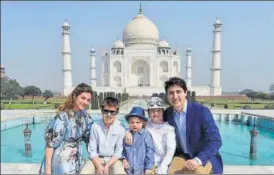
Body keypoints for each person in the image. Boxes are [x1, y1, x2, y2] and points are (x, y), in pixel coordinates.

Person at [163, 77, 223, 174]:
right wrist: (129, 133)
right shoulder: (168, 114)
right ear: (167, 95)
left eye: (178, 92)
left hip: (203, 155)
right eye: (171, 93)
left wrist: (198, 160)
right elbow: (153, 126)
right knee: (171, 172)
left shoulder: (201, 111)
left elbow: (215, 140)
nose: (175, 96)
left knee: (198, 172)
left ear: (185, 92)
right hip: (182, 155)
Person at [39, 83, 94, 174]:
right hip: (61, 162)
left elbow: (92, 138)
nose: (85, 102)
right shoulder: (63, 117)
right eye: (83, 98)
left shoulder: (86, 117)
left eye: (88, 100)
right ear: (75, 96)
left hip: (76, 160)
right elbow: (50, 145)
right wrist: (48, 170)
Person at [125, 97, 176, 174]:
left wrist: (162, 167)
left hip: (161, 164)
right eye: (152, 111)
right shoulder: (146, 125)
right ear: (148, 113)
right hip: (144, 164)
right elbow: (133, 124)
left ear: (163, 112)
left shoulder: (169, 129)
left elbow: (170, 151)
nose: (156, 113)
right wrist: (127, 132)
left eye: (158, 110)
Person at [80, 96, 126, 174]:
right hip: (96, 159)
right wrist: (98, 166)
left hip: (113, 160)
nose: (109, 114)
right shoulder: (95, 126)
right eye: (106, 111)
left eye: (112, 112)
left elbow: (118, 151)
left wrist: (107, 165)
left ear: (116, 113)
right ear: (102, 111)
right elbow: (92, 150)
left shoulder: (120, 128)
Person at [122, 106, 155, 174]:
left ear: (142, 123)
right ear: (128, 123)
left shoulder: (146, 134)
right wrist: (123, 159)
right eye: (132, 122)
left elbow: (150, 151)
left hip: (141, 169)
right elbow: (122, 149)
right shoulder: (126, 135)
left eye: (138, 122)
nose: (134, 125)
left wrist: (148, 167)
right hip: (128, 170)